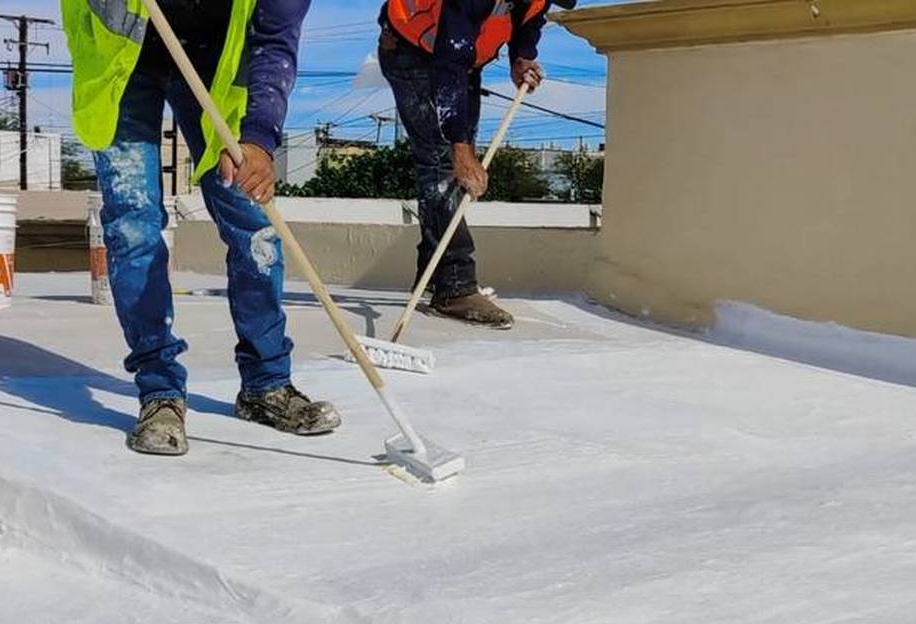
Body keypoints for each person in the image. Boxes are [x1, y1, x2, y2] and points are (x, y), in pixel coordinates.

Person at [62, 0, 339, 456]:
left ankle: (266, 385)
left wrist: (259, 139)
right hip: (122, 61)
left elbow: (275, 41)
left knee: (254, 227)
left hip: (212, 66)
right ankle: (160, 393)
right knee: (134, 226)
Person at [377, 0, 575, 328]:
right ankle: (455, 286)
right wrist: (460, 149)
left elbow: (529, 22)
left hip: (462, 62)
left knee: (455, 162)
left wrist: (520, 57)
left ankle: (434, 274)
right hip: (411, 51)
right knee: (444, 162)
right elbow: (449, 60)